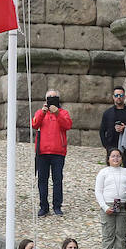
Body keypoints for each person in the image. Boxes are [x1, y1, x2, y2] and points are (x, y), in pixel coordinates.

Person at [32, 89, 73, 217]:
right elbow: (34, 124)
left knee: (57, 180)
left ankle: (57, 206)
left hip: (58, 152)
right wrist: (42, 113)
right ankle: (43, 206)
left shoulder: (63, 113)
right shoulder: (41, 112)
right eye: (49, 97)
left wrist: (57, 114)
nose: (51, 99)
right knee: (42, 180)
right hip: (42, 152)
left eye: (54, 97)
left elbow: (67, 125)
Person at [94, 148, 126, 249]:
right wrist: (105, 207)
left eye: (118, 156)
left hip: (122, 206)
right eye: (113, 156)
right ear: (108, 159)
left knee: (121, 236)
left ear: (121, 159)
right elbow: (98, 191)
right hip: (108, 206)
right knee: (108, 236)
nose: (116, 159)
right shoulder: (103, 172)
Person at [100, 86, 126, 167]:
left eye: (121, 95)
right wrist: (106, 146)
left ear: (124, 97)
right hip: (111, 146)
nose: (119, 97)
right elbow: (102, 131)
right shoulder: (107, 113)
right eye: (116, 95)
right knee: (111, 171)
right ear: (113, 97)